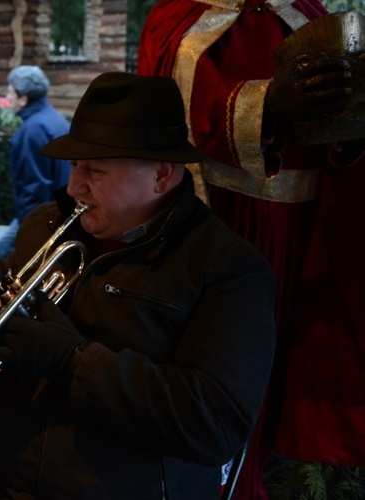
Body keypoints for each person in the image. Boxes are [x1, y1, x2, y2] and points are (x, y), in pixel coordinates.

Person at [0, 72, 277, 499]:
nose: (74, 187)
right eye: (74, 166)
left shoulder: (227, 268)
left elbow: (213, 423)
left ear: (162, 175)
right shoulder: (46, 225)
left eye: (95, 170)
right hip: (7, 477)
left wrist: (71, 362)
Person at [137, 2, 365, 496]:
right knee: (211, 378)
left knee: (274, 382)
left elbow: (343, 141)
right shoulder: (177, 18)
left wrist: (350, 115)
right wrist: (269, 104)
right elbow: (175, 113)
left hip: (300, 239)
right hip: (209, 226)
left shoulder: (309, 14)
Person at [0, 65, 70, 258]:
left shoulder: (32, 131)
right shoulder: (54, 118)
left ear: (23, 98)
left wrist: (31, 229)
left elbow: (34, 186)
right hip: (59, 210)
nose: (7, 96)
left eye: (10, 91)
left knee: (4, 250)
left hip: (45, 216)